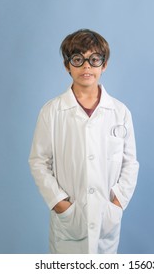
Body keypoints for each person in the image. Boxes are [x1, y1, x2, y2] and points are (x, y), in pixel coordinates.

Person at [28, 29, 139, 254]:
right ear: (67, 65)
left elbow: (130, 163)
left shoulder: (120, 112)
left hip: (105, 216)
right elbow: (38, 161)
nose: (86, 67)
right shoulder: (52, 111)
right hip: (69, 219)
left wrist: (116, 204)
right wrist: (59, 203)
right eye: (78, 59)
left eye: (94, 59)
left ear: (104, 65)